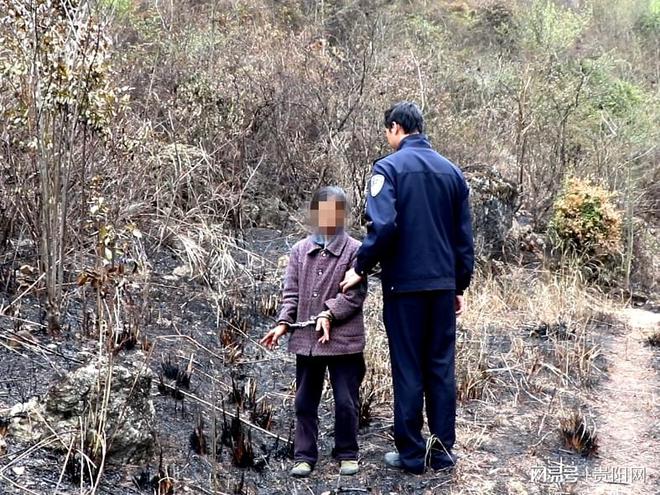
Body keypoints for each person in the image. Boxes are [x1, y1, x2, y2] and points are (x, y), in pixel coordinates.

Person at [340, 102, 475, 474]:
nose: (388, 138)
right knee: (441, 367)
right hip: (443, 287)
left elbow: (383, 227)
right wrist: (458, 284)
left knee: (409, 367)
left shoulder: (388, 168)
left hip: (405, 287)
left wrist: (360, 266)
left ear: (396, 128)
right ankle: (443, 452)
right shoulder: (453, 173)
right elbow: (464, 239)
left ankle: (413, 454)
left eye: (387, 131)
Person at [261, 186, 368, 478]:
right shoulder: (299, 250)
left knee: (347, 400)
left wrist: (329, 313)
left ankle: (347, 452)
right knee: (304, 400)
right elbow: (291, 294)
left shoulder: (356, 250)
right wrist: (284, 323)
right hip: (307, 341)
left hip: (344, 341)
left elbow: (355, 295)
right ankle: (304, 455)